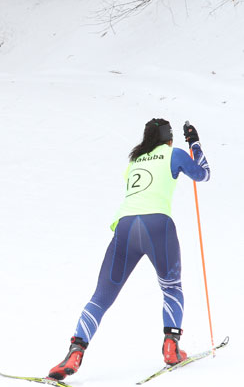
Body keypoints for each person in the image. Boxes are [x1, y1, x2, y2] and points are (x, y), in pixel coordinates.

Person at [47, 119, 210, 382]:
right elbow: (203, 173)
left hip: (125, 227)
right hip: (158, 226)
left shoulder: (134, 162)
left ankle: (75, 351)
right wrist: (195, 143)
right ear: (169, 139)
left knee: (101, 297)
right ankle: (171, 346)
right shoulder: (173, 153)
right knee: (171, 287)